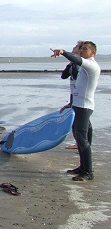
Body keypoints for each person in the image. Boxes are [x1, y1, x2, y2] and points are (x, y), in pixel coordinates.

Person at [51, 41, 100, 181]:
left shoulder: (91, 65)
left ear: (92, 53)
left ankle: (88, 172)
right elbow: (76, 88)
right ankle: (82, 167)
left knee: (81, 138)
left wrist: (63, 52)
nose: (82, 50)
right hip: (78, 105)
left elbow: (77, 59)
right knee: (79, 137)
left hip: (84, 107)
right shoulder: (82, 67)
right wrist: (70, 104)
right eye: (82, 48)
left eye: (85, 49)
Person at [60, 41, 92, 150]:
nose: (73, 48)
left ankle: (84, 145)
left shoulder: (82, 66)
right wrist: (70, 63)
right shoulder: (74, 64)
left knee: (83, 124)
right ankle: (81, 144)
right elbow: (64, 76)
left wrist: (72, 102)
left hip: (81, 98)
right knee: (83, 122)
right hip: (75, 95)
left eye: (76, 47)